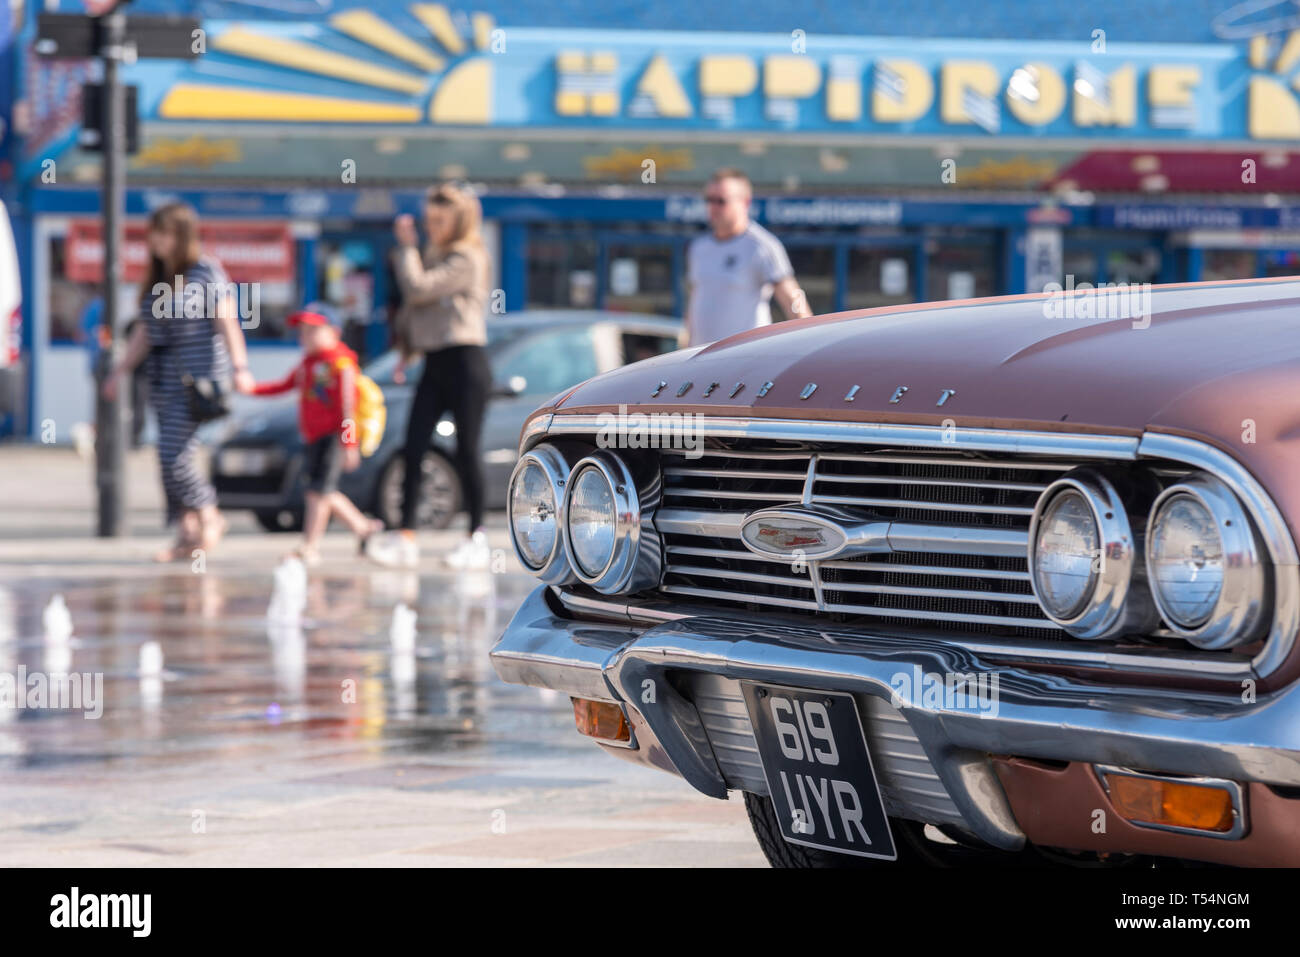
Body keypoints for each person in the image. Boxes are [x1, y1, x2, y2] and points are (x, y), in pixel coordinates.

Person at [102, 202, 254, 562]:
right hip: (162, 381)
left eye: (163, 232)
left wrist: (240, 367)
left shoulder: (206, 271)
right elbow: (145, 334)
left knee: (174, 457)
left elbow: (227, 321)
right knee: (166, 457)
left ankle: (209, 514)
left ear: (181, 235)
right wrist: (119, 371)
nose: (154, 240)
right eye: (152, 233)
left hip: (197, 380)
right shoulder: (159, 279)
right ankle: (187, 536)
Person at [370, 183, 491, 570]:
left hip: (466, 362)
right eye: (427, 221)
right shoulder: (435, 254)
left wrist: (406, 248)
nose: (431, 228)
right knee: (413, 445)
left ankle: (476, 537)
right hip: (435, 362)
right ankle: (405, 534)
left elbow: (418, 289)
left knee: (467, 449)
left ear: (459, 220)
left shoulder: (468, 257)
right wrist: (406, 352)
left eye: (439, 221)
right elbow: (414, 309)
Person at [246, 304, 383, 567]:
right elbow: (283, 386)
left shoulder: (341, 365)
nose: (305, 337)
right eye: (303, 331)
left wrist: (349, 443)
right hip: (313, 437)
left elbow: (347, 408)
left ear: (334, 332)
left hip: (332, 437)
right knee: (321, 490)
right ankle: (363, 527)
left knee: (317, 492)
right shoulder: (308, 364)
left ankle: (310, 546)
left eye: (313, 331)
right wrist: (252, 389)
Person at [681, 168, 812, 348]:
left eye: (721, 201)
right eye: (709, 200)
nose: (713, 207)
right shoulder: (699, 248)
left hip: (745, 361)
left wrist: (811, 340)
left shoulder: (761, 246)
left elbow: (793, 297)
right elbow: (696, 300)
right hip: (702, 361)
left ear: (745, 202)